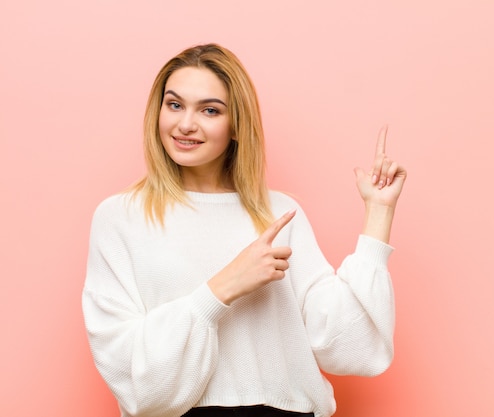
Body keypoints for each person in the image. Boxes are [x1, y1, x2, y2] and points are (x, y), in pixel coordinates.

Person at [82, 43, 406, 417]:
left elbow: (353, 347)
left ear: (236, 125)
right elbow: (131, 377)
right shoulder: (120, 217)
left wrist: (379, 213)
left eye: (209, 110)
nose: (186, 124)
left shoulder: (280, 213)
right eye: (174, 105)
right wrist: (222, 288)